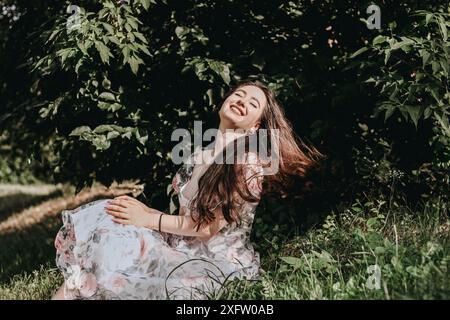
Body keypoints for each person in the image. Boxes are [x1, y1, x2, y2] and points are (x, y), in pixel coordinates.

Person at [52, 81, 323, 300]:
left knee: (146, 280)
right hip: (181, 246)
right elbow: (184, 220)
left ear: (256, 126)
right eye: (238, 94)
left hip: (213, 262)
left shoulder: (247, 161)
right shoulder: (199, 156)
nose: (241, 101)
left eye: (253, 103)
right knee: (111, 215)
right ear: (223, 103)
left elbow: (206, 229)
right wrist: (145, 213)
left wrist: (147, 218)